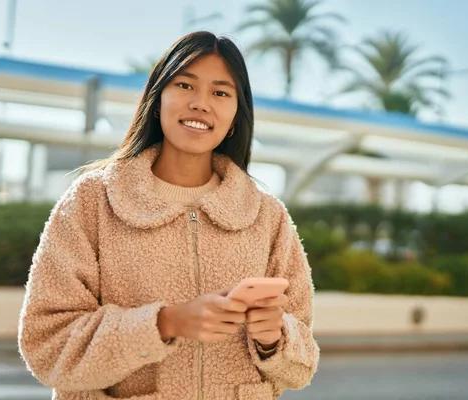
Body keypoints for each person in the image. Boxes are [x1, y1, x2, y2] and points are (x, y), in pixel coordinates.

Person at [18, 31, 319, 400]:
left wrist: (276, 338)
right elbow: (47, 345)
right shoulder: (93, 201)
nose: (201, 103)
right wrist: (165, 323)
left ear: (236, 116)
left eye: (220, 92)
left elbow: (301, 362)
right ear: (158, 99)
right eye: (184, 85)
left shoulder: (266, 215)